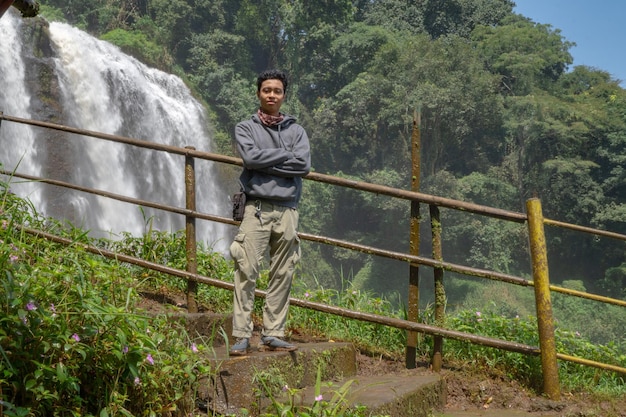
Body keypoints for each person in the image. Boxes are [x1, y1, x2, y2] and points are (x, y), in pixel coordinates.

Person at [229, 69, 311, 356]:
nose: (271, 95)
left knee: (283, 272)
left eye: (277, 91)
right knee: (246, 269)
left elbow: (303, 166)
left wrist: (265, 163)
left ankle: (273, 332)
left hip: (288, 210)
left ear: (284, 95)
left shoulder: (296, 131)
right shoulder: (245, 128)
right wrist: (285, 155)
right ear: (258, 93)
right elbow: (250, 158)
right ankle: (241, 334)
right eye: (266, 90)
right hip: (257, 209)